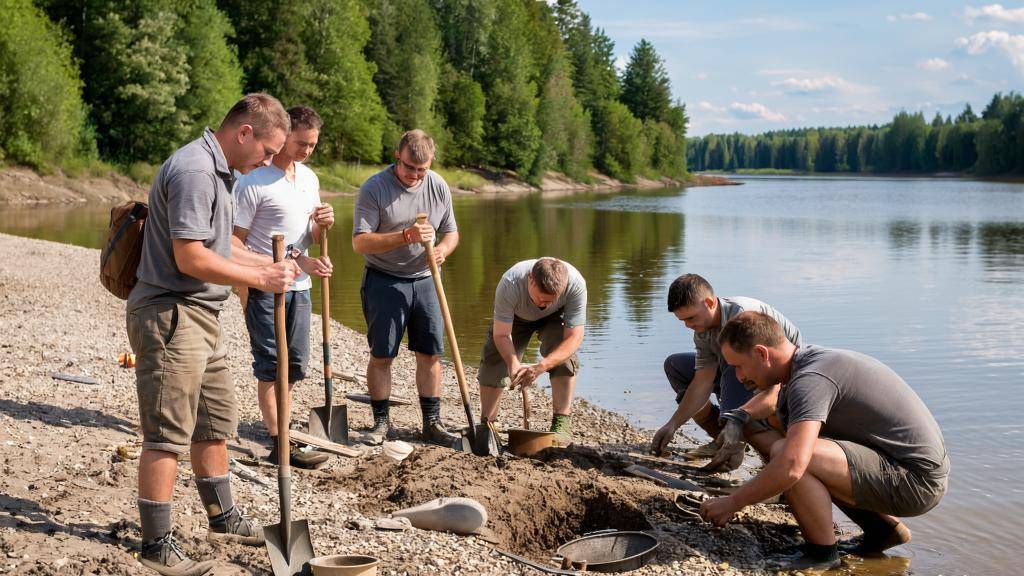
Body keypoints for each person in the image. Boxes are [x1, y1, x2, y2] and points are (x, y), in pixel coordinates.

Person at [126, 94, 299, 576]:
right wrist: (260, 280)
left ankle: (223, 517)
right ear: (244, 132)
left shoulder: (221, 172)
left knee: (214, 420)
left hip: (202, 313)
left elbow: (220, 248)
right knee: (167, 434)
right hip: (170, 314)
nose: (269, 161)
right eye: (267, 151)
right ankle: (156, 543)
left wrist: (271, 265)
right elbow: (191, 258)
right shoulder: (195, 172)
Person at [700, 312, 949, 570]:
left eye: (738, 366)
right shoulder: (805, 362)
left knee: (790, 452)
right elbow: (773, 404)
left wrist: (733, 503)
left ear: (762, 353)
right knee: (792, 443)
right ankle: (882, 531)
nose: (738, 377)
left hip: (916, 482)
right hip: (901, 469)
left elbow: (793, 464)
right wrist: (739, 418)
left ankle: (822, 555)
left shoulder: (810, 379)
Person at [233, 105, 334, 470]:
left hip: (301, 285)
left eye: (313, 145)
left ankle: (282, 430)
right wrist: (257, 275)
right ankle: (280, 442)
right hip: (263, 286)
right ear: (284, 134)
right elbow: (234, 242)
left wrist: (325, 224)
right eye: (301, 143)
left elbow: (308, 238)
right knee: (272, 365)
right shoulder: (252, 181)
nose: (307, 150)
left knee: (295, 366)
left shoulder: (308, 179)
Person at [352, 129, 460, 446]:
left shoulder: (438, 185)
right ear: (397, 156)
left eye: (421, 170)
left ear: (430, 164)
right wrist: (405, 236)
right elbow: (360, 242)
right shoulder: (375, 188)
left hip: (427, 281)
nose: (414, 175)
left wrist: (443, 250)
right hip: (384, 280)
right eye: (409, 167)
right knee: (383, 355)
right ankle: (381, 423)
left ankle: (432, 423)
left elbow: (452, 233)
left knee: (430, 355)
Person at [650, 274, 802, 471]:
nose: (688, 326)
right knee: (675, 365)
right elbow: (702, 380)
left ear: (709, 303)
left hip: (778, 373)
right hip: (738, 368)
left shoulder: (742, 315)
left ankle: (736, 442)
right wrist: (672, 425)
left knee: (731, 365)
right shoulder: (702, 331)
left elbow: (762, 363)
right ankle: (722, 438)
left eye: (691, 318)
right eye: (683, 321)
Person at [477, 258, 587, 444]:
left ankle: (561, 423)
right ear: (531, 279)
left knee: (563, 357)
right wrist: (513, 365)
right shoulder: (510, 283)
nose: (543, 304)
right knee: (495, 359)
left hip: (556, 317)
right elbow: (502, 334)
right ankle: (488, 424)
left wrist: (542, 366)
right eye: (540, 298)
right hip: (518, 317)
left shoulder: (575, 284)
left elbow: (574, 337)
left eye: (549, 300)